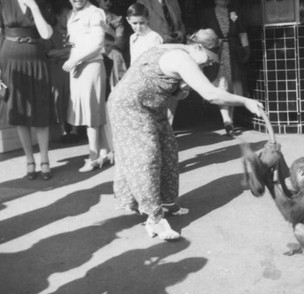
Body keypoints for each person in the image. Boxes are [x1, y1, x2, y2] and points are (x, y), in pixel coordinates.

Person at [107, 29, 264, 240]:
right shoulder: (181, 57)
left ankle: (168, 203)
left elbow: (163, 80)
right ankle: (154, 219)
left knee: (169, 149)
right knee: (146, 157)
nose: (210, 65)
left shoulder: (181, 50)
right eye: (209, 59)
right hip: (130, 107)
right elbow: (211, 94)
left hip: (152, 106)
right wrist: (245, 101)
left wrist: (177, 90)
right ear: (198, 47)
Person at [0, 0, 54, 180]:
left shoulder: (40, 3)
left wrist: (34, 7)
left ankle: (45, 160)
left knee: (41, 111)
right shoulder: (1, 2)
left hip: (36, 59)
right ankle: (29, 160)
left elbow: (46, 34)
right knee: (19, 111)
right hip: (10, 60)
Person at [63, 0, 113, 171]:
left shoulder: (95, 12)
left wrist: (76, 59)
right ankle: (105, 152)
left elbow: (98, 43)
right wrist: (68, 54)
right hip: (77, 67)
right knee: (88, 110)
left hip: (91, 65)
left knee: (91, 112)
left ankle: (93, 156)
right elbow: (74, 42)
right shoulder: (72, 14)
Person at [201, 0, 252, 136]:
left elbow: (242, 32)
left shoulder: (235, 11)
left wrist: (246, 48)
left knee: (233, 86)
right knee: (221, 85)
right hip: (216, 53)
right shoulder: (207, 13)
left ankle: (231, 119)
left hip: (233, 52)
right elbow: (201, 35)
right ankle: (226, 119)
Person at [47, 1, 75, 143]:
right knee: (59, 98)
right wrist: (69, 52)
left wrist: (63, 53)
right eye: (65, 16)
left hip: (72, 71)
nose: (67, 20)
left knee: (73, 97)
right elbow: (49, 53)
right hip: (57, 71)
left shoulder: (74, 31)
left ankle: (75, 129)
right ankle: (63, 130)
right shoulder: (50, 32)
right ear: (57, 16)